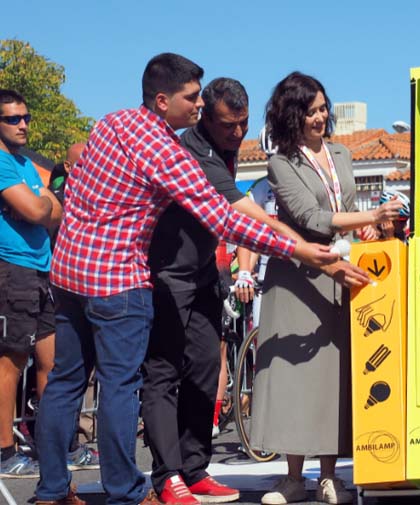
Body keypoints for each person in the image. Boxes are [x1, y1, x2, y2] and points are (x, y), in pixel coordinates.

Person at [34, 54, 337, 505]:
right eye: (191, 97)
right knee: (121, 388)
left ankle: (52, 490)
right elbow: (224, 218)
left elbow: (75, 188)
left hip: (69, 271)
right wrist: (298, 248)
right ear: (162, 101)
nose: (197, 105)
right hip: (119, 280)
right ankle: (127, 493)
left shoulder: (110, 123)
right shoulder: (165, 151)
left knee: (65, 383)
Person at [143, 77, 303, 504]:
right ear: (205, 118)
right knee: (164, 374)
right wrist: (305, 244)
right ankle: (167, 476)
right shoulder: (193, 149)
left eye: (243, 125)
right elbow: (245, 214)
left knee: (204, 371)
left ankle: (195, 470)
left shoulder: (229, 147)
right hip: (166, 275)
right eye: (228, 126)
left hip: (204, 275)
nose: (236, 134)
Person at [251, 71, 400, 505]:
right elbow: (310, 219)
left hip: (342, 271)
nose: (321, 117)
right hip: (298, 276)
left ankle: (331, 475)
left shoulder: (341, 154)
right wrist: (370, 219)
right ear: (292, 115)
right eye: (311, 111)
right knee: (295, 374)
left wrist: (369, 230)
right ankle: (293, 476)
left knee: (337, 376)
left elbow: (345, 210)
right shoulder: (281, 163)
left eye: (323, 109)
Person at [0, 89, 61, 479]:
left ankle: (52, 445)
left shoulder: (24, 163)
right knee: (10, 362)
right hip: (13, 269)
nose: (23, 124)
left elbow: (52, 212)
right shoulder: (4, 164)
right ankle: (4, 450)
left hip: (42, 267)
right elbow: (39, 209)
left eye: (26, 117)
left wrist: (42, 204)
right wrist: (42, 204)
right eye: (12, 119)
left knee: (52, 362)